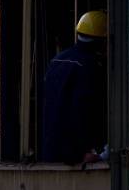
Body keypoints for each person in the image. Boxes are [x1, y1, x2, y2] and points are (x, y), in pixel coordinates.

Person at [40, 10, 108, 165]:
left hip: (50, 151)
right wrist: (81, 153)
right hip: (75, 156)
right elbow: (83, 110)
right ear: (102, 40)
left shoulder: (57, 61)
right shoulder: (89, 66)